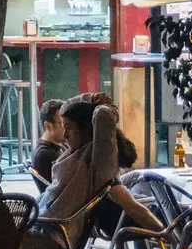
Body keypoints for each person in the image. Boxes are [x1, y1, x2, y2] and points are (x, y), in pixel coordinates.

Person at [34, 98, 159, 233]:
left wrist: (93, 99)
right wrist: (97, 100)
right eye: (64, 127)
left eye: (68, 128)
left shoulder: (84, 157)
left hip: (46, 221)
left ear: (86, 129)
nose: (65, 135)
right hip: (53, 227)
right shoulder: (92, 162)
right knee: (158, 205)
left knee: (139, 183)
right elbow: (103, 113)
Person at [30, 99, 64, 185]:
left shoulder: (60, 145)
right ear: (48, 126)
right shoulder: (45, 155)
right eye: (62, 123)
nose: (67, 128)